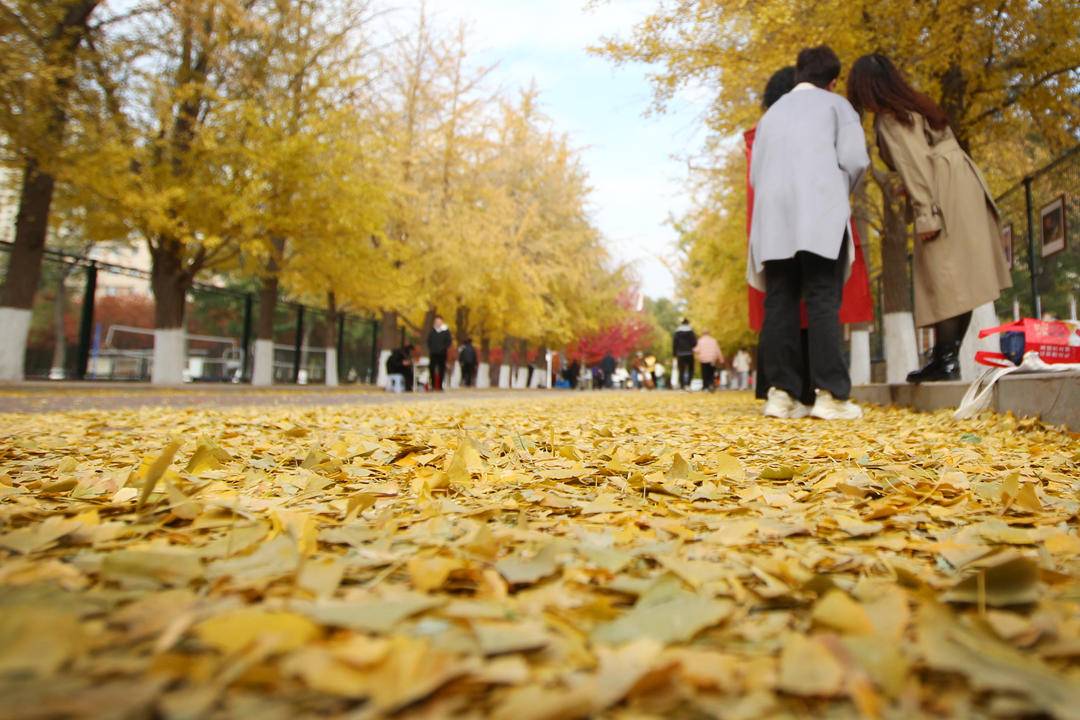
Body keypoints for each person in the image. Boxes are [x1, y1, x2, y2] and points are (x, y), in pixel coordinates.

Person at [847, 54, 1012, 382]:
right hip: (963, 187)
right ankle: (944, 358)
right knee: (959, 280)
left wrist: (925, 215)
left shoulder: (890, 118)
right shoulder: (916, 104)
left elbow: (915, 166)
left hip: (941, 197)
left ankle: (946, 361)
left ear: (866, 89)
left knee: (944, 278)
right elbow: (928, 156)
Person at [748, 46, 870, 420]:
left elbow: (755, 174)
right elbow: (856, 160)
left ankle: (781, 395)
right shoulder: (837, 108)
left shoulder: (773, 114)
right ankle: (830, 395)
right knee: (821, 300)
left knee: (780, 302)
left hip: (774, 219)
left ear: (799, 72)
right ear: (833, 80)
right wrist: (837, 190)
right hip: (820, 213)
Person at [427, 316, 452, 391]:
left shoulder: (446, 331)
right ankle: (433, 385)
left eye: (439, 321)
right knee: (431, 368)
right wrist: (431, 348)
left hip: (442, 353)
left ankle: (440, 386)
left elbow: (449, 341)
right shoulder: (432, 331)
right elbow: (429, 341)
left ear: (442, 322)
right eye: (436, 321)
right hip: (433, 353)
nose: (438, 323)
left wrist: (444, 348)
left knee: (442, 369)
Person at [672, 319, 697, 390]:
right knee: (691, 369)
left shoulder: (677, 332)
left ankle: (682, 385)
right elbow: (694, 343)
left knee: (681, 370)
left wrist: (674, 354)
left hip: (680, 354)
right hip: (689, 353)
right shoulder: (691, 332)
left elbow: (674, 344)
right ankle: (688, 384)